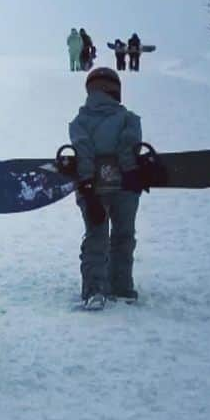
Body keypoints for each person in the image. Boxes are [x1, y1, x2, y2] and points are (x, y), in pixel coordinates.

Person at [69, 66, 144, 309]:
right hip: (125, 185)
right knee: (123, 235)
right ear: (116, 91)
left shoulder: (79, 122)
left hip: (93, 189)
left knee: (96, 235)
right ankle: (121, 286)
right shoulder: (129, 119)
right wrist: (131, 170)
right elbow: (127, 146)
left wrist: (88, 186)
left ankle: (94, 290)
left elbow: (84, 152)